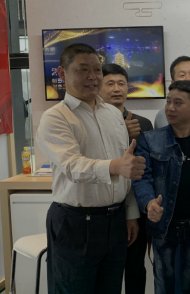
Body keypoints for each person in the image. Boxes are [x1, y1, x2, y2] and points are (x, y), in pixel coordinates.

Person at [36, 43, 145, 294]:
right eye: (83, 69)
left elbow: (126, 166)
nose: (92, 76)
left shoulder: (113, 115)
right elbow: (73, 166)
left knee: (111, 288)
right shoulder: (55, 117)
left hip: (115, 221)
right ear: (62, 73)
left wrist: (130, 213)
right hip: (75, 222)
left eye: (97, 70)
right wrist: (116, 166)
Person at [132, 80, 190, 294]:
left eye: (178, 103)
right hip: (164, 227)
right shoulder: (150, 139)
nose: (170, 108)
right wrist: (148, 203)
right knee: (164, 284)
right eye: (168, 102)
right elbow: (141, 177)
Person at [100, 63, 154, 294]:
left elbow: (145, 169)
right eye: (110, 83)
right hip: (103, 208)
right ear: (99, 87)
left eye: (121, 83)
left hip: (136, 206)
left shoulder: (143, 124)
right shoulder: (94, 123)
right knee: (106, 270)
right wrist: (121, 133)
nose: (116, 89)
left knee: (135, 266)